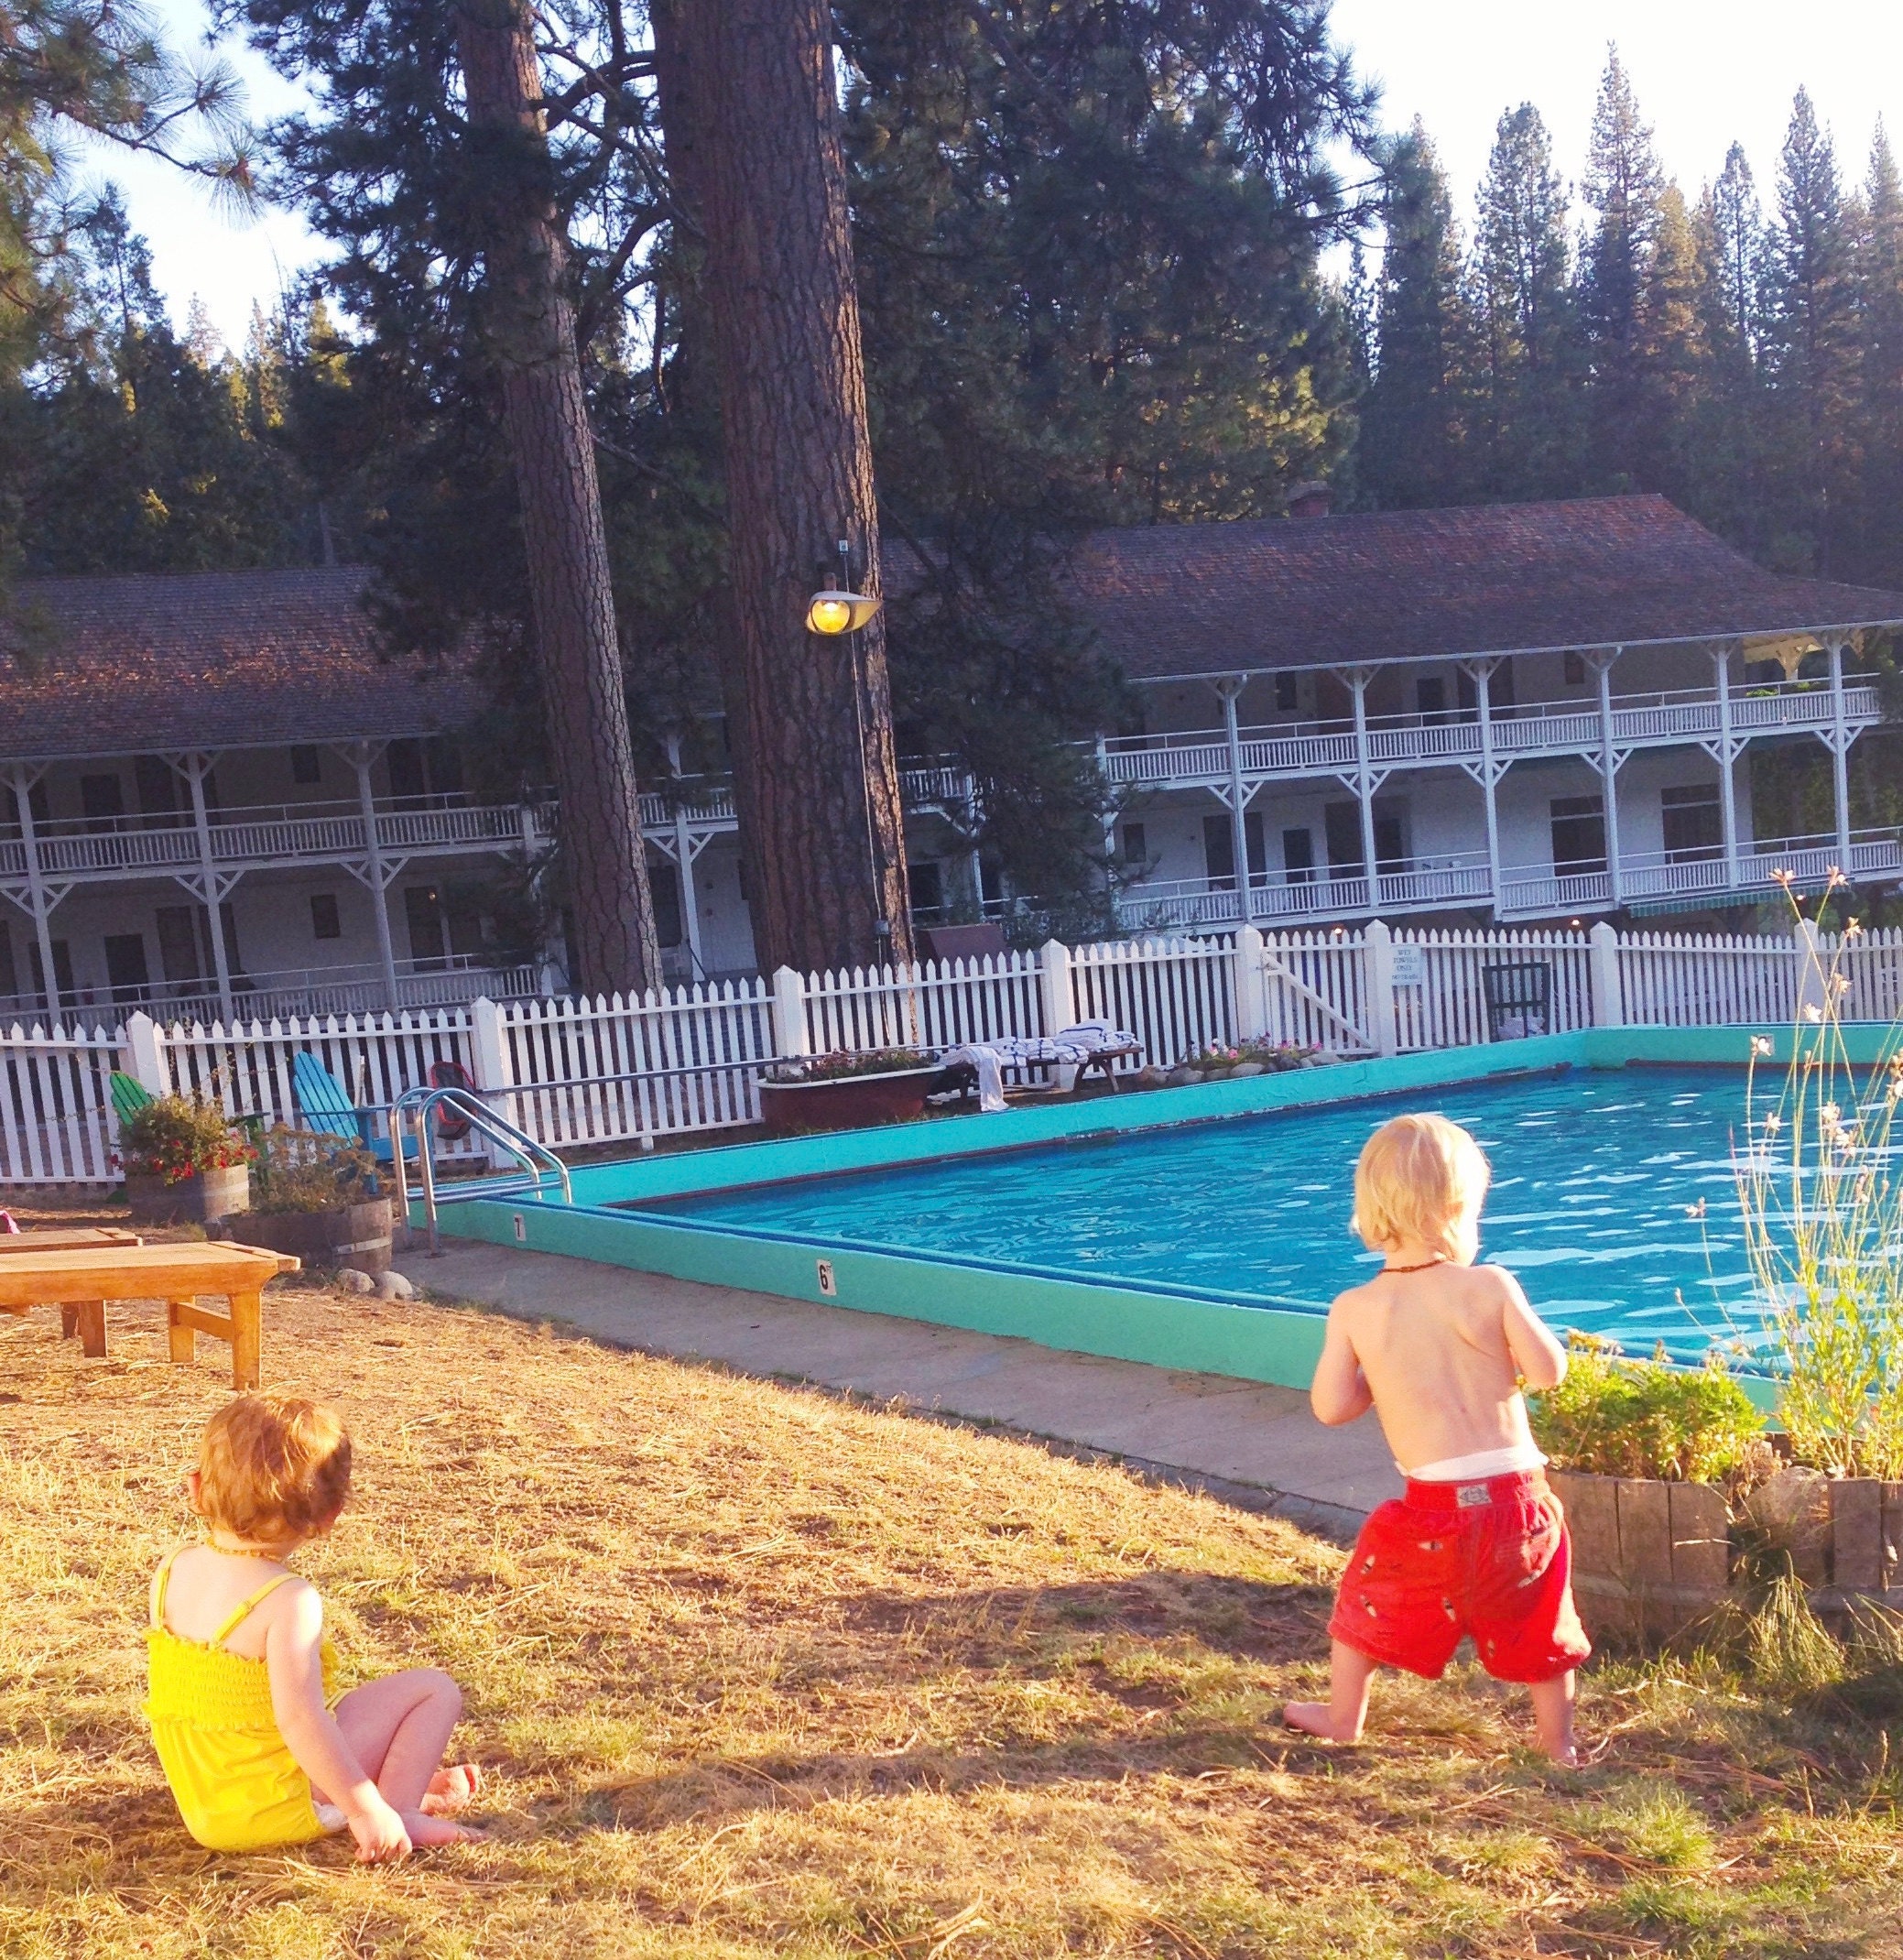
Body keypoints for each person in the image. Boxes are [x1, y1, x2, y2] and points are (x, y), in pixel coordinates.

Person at [1284, 1112, 1590, 1762]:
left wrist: (1381, 1381)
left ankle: (1343, 1716)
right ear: (1459, 1207)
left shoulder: (1357, 1308)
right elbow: (1549, 1372)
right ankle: (1555, 1745)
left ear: (1371, 1207)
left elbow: (1331, 1407)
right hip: (1520, 1503)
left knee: (1368, 1602)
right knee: (1541, 1619)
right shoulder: (1490, 1285)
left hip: (1432, 1510)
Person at [145, 1393, 484, 1858]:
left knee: (330, 1709)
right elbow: (301, 1721)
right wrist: (365, 1811)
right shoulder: (287, 1599)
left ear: (196, 1488)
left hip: (208, 1804)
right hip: (275, 1807)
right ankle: (397, 1810)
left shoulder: (172, 1567)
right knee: (433, 1690)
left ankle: (382, 1794)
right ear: (329, 1516)